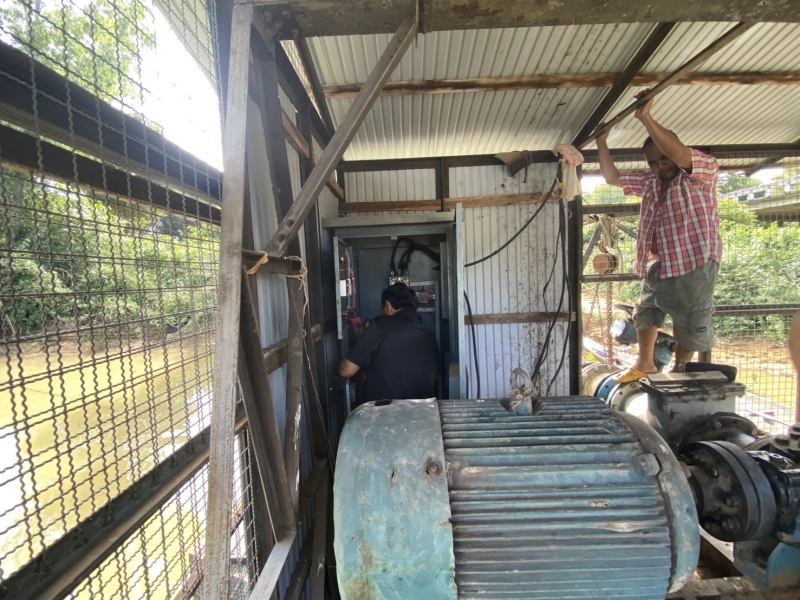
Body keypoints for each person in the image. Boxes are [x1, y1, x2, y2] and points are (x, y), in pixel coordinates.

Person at [596, 93, 722, 383]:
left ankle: (680, 369)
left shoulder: (700, 174)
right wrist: (602, 142)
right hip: (661, 262)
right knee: (645, 309)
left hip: (694, 261)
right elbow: (612, 177)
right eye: (652, 162)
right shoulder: (651, 182)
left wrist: (646, 118)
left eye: (663, 158)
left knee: (690, 317)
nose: (659, 165)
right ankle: (646, 363)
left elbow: (678, 152)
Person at [338, 283, 440, 403]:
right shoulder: (429, 336)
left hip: (386, 412)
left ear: (388, 305)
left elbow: (346, 371)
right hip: (423, 410)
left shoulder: (381, 325)